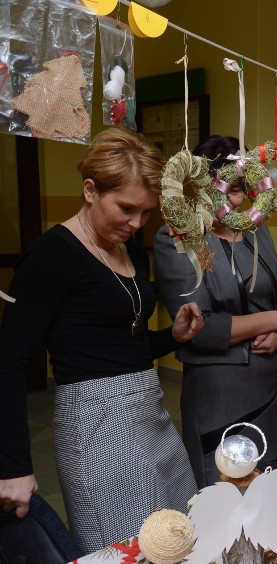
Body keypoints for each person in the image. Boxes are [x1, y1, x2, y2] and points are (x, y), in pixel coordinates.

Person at [0, 128, 203, 553]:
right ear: (90, 190)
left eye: (147, 213)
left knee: (182, 536)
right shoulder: (52, 255)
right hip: (97, 426)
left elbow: (121, 346)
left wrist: (172, 336)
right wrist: (12, 467)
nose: (136, 223)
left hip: (151, 414)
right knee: (129, 549)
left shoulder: (130, 250)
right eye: (127, 208)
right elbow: (9, 361)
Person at [154, 135, 277, 488]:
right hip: (224, 393)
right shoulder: (178, 238)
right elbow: (200, 326)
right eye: (217, 188)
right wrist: (274, 320)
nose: (228, 199)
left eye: (236, 189)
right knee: (233, 502)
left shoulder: (257, 229)